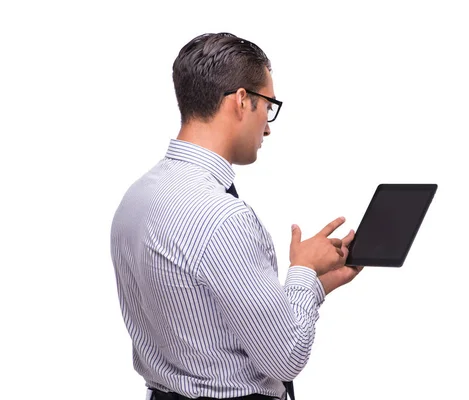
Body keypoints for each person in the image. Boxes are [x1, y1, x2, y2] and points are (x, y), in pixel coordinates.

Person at [110, 32, 364, 400]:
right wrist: (303, 271)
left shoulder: (136, 198)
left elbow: (205, 317)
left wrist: (315, 286)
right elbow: (285, 357)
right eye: (267, 105)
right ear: (242, 100)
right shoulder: (222, 218)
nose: (268, 125)